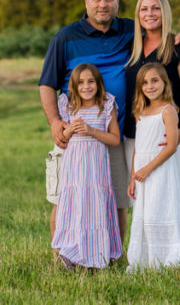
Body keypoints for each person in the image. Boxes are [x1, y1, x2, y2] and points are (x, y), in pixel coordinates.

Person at [38, 0, 180, 243]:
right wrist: (55, 122)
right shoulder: (65, 37)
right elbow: (46, 85)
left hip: (115, 133)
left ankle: (113, 255)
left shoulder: (129, 31)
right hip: (74, 133)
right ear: (86, 2)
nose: (103, 4)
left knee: (117, 199)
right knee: (65, 196)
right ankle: (60, 256)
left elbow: (158, 29)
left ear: (118, 2)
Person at [124, 0, 180, 261]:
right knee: (149, 203)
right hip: (142, 140)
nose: (150, 14)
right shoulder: (132, 48)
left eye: (156, 8)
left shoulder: (179, 47)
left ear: (165, 13)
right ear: (137, 14)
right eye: (144, 9)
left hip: (176, 138)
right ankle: (155, 258)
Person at [125, 63, 180, 270]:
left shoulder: (168, 111)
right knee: (145, 214)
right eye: (145, 82)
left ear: (164, 83)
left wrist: (148, 169)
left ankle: (171, 258)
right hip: (141, 172)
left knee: (161, 211)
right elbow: (137, 148)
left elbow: (171, 147)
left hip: (159, 171)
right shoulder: (140, 111)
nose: (150, 86)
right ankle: (149, 259)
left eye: (155, 80)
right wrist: (133, 176)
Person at [50, 63, 122, 270]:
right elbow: (61, 139)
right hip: (74, 169)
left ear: (98, 84)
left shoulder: (106, 105)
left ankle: (97, 256)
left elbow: (115, 139)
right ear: (74, 86)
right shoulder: (69, 106)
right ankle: (72, 252)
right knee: (75, 207)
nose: (86, 86)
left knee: (95, 207)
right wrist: (70, 129)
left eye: (91, 81)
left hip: (96, 168)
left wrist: (91, 131)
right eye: (81, 82)